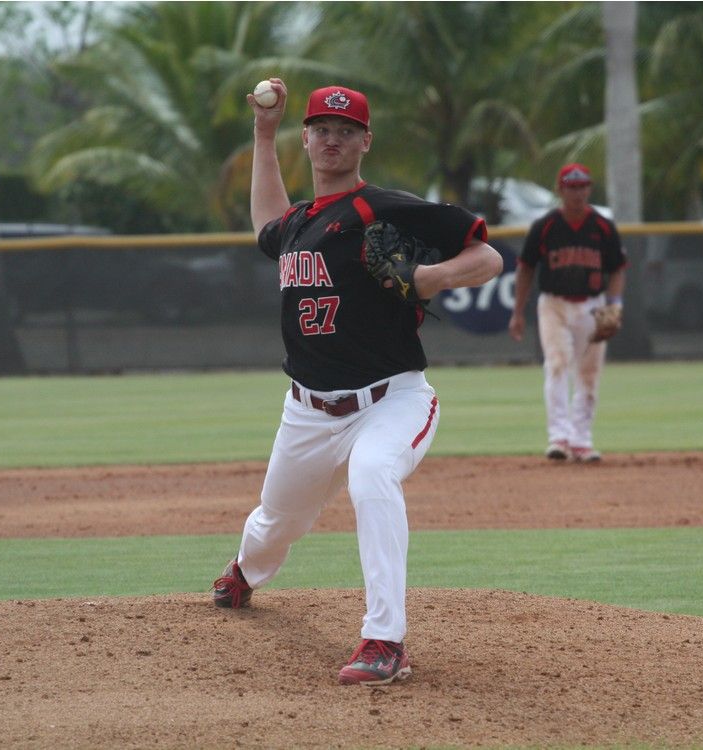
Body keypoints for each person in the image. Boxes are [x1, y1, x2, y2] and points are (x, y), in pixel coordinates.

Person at [212, 79, 502, 686]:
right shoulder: (297, 224)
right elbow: (268, 221)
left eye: (346, 131)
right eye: (322, 129)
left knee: (373, 475)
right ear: (308, 139)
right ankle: (245, 572)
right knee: (275, 522)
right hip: (308, 411)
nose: (332, 140)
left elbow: (489, 259)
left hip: (390, 398)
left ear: (365, 141)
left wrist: (428, 278)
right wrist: (264, 136)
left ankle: (384, 640)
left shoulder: (383, 207)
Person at [508, 163, 628, 462]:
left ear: (589, 188)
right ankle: (559, 438)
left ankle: (581, 440)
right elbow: (525, 268)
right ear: (560, 190)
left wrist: (615, 304)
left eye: (583, 186)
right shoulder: (545, 226)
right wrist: (518, 311)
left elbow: (617, 269)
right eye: (571, 187)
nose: (578, 192)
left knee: (589, 373)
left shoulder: (602, 226)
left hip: (592, 305)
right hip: (554, 304)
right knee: (558, 364)